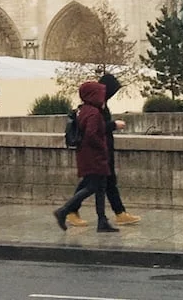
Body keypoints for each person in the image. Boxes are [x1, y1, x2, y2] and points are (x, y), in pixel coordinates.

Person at [64, 72, 141, 227]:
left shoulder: (98, 106)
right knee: (91, 183)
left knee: (107, 181)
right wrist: (114, 125)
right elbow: (94, 131)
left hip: (103, 150)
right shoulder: (96, 108)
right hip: (99, 152)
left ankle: (115, 214)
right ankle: (70, 211)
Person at [54, 80, 119, 233]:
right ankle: (64, 210)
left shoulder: (84, 110)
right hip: (94, 156)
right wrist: (102, 147)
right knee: (92, 186)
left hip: (88, 155)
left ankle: (102, 221)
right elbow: (91, 134)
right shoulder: (94, 113)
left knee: (101, 187)